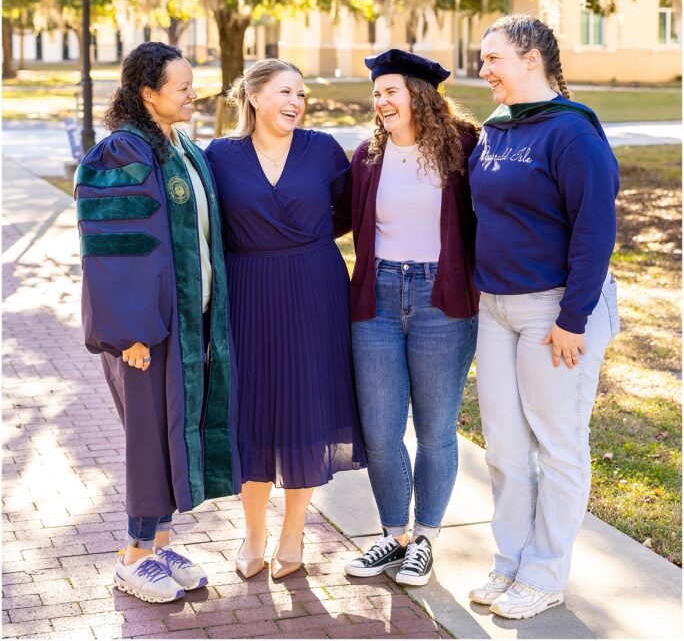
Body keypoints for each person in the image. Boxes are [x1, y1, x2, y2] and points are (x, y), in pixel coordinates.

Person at [75, 42, 241, 604]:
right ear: (148, 94)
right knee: (149, 439)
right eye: (182, 87)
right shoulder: (122, 152)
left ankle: (161, 544)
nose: (194, 94)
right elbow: (115, 248)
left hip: (186, 322)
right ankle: (133, 556)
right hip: (147, 332)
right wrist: (132, 331)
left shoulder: (179, 145)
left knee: (173, 437)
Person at [467, 15, 620, 620]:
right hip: (496, 308)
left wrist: (573, 318)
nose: (483, 69)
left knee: (558, 447)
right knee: (504, 447)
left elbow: (595, 229)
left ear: (531, 58)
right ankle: (510, 562)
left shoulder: (572, 132)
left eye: (493, 58)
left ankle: (544, 573)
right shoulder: (496, 129)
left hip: (556, 311)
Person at [205, 58, 366, 581]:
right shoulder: (220, 156)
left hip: (314, 289)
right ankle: (253, 533)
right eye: (284, 92)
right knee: (250, 410)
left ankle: (293, 531)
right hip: (247, 290)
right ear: (253, 96)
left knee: (304, 407)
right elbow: (206, 223)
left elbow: (348, 211)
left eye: (300, 93)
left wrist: (304, 239)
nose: (295, 102)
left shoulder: (323, 150)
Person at [339, 48, 480, 587]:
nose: (380, 101)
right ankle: (393, 535)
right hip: (376, 298)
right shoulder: (367, 158)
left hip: (441, 299)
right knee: (379, 430)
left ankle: (425, 539)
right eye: (376, 94)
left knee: (436, 429)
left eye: (390, 91)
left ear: (419, 95)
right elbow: (331, 218)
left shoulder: (462, 149)